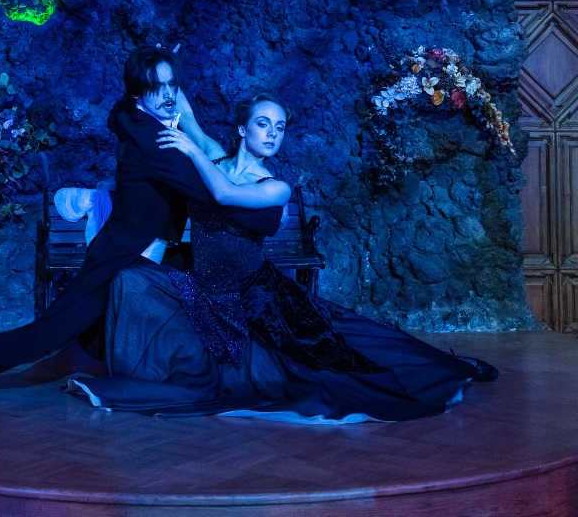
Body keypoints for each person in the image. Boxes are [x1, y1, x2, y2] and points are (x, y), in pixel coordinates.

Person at [0, 47, 283, 410]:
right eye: (157, 88)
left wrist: (174, 102)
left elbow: (127, 110)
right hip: (118, 264)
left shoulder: (133, 115)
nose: (169, 95)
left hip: (148, 265)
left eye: (172, 85)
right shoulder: (158, 144)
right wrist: (268, 213)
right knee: (40, 339)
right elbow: (218, 196)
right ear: (139, 93)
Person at [66, 93, 498, 422]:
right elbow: (189, 115)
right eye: (263, 124)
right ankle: (136, 372)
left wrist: (191, 151)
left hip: (254, 296)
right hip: (203, 287)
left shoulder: (275, 187)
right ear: (242, 128)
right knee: (128, 278)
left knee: (337, 356)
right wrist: (163, 73)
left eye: (280, 127)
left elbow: (224, 194)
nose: (272, 133)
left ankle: (440, 369)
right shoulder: (216, 156)